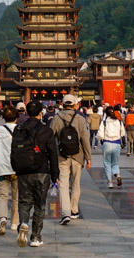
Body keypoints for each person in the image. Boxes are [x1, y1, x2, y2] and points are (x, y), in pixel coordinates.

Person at [15, 100, 60, 247]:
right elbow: (53, 154)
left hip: (23, 171)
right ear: (41, 113)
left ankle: (23, 223)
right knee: (40, 204)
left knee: (24, 201)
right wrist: (55, 175)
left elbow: (13, 151)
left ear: (27, 112)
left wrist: (16, 168)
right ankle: (35, 237)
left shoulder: (19, 129)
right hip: (42, 171)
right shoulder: (46, 130)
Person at [49, 94, 92, 225]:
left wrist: (50, 156)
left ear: (62, 105)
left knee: (63, 184)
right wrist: (88, 157)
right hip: (78, 155)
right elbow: (85, 139)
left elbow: (50, 137)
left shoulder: (56, 118)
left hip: (61, 156)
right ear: (74, 105)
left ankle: (65, 212)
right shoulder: (80, 119)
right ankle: (74, 210)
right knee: (75, 184)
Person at [0, 106, 20, 236]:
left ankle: (2, 218)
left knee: (2, 196)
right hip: (16, 169)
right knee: (16, 197)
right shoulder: (20, 131)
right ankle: (14, 223)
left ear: (3, 118)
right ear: (16, 118)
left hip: (1, 168)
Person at [98, 106, 125, 188]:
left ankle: (110, 182)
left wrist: (101, 140)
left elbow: (100, 134)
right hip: (117, 143)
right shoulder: (119, 122)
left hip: (107, 143)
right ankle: (117, 175)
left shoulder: (104, 122)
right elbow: (123, 133)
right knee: (115, 162)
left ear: (106, 113)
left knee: (107, 163)